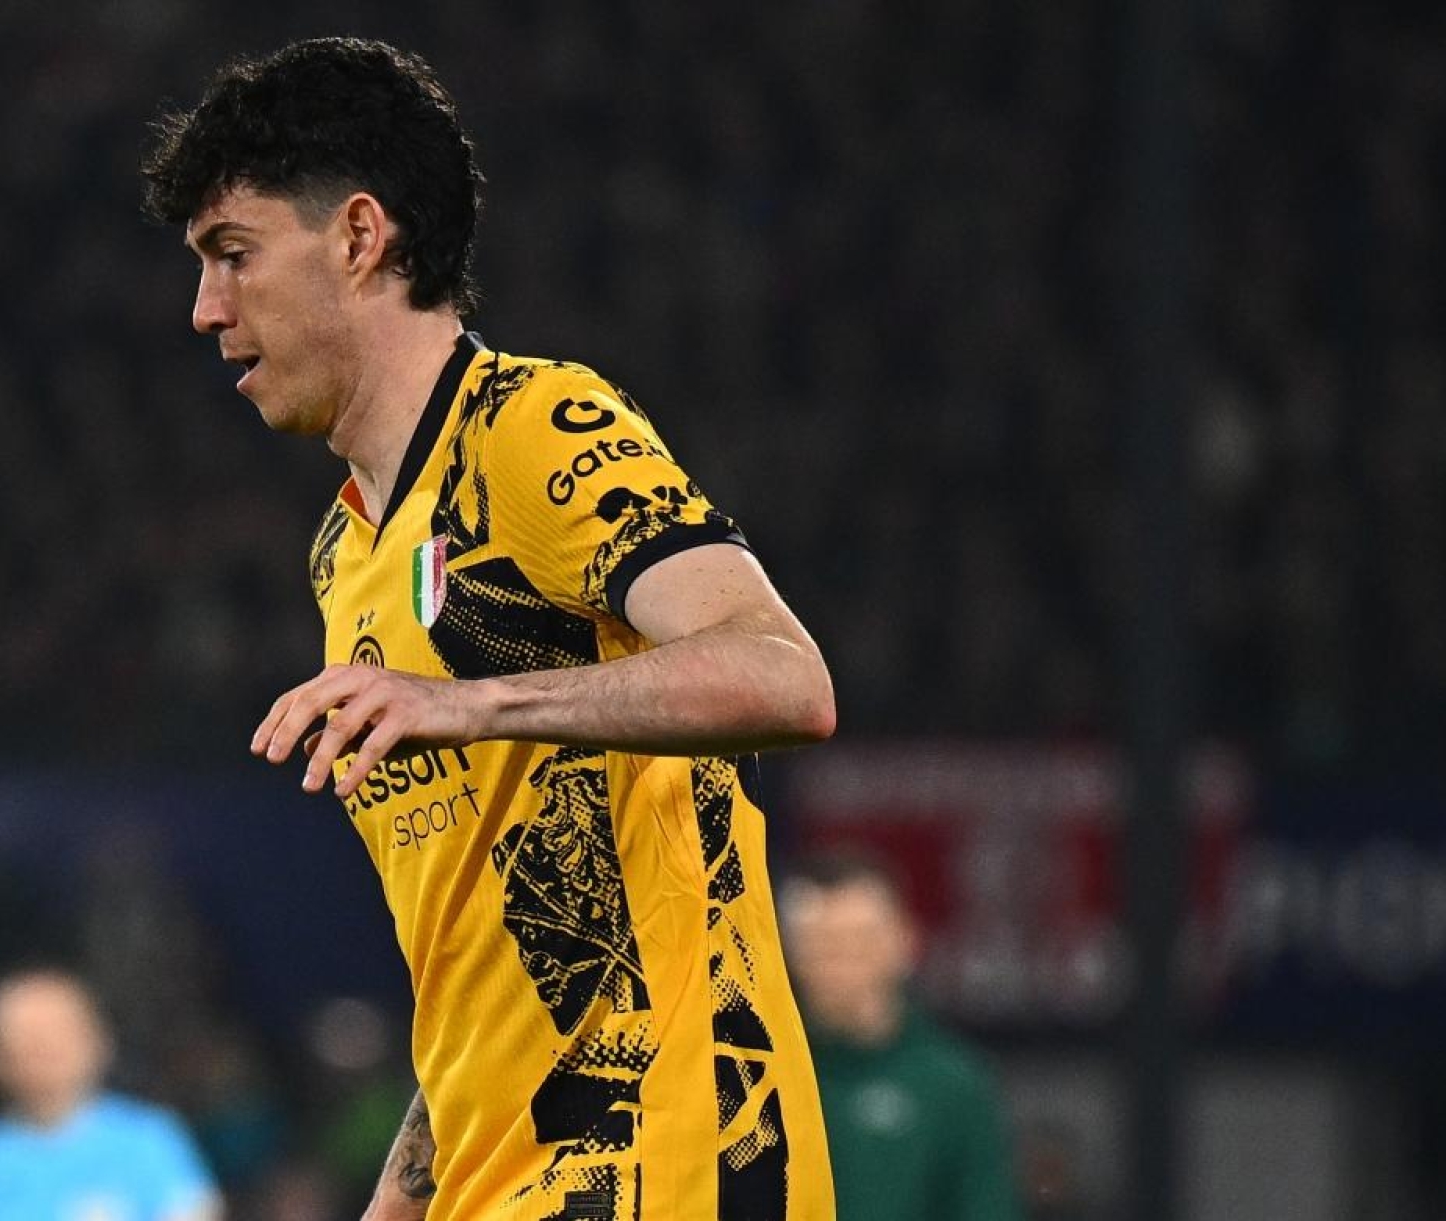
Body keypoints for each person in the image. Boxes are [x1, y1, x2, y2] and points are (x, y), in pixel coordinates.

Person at [143, 38, 838, 1221]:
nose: (207, 308)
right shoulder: (346, 555)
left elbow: (788, 678)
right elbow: (484, 964)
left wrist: (468, 703)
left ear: (360, 237)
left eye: (233, 256)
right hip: (497, 1185)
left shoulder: (535, 426)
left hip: (664, 1164)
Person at [779, 850, 1021, 1221]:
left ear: (905, 940)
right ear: (789, 950)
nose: (841, 961)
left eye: (859, 939)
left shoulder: (952, 1084)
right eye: (821, 943)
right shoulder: (759, 1076)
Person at [0, 969, 221, 1221]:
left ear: (98, 1042)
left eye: (57, 1036)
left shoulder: (151, 1140)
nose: (43, 1054)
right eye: (25, 1042)